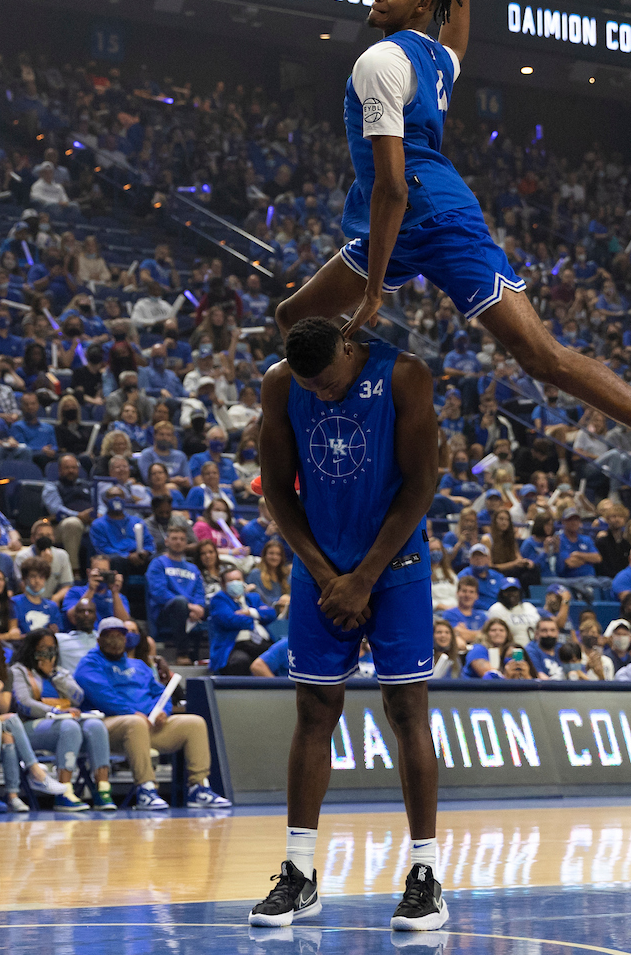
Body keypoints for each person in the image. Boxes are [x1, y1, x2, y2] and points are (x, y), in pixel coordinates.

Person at [271, 0, 631, 558]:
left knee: (540, 357)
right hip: (410, 219)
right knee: (294, 317)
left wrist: (375, 289)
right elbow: (460, 35)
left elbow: (391, 186)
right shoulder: (435, 58)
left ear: (420, 5)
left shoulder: (381, 62)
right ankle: (333, 445)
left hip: (428, 216)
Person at [250, 316, 447, 932]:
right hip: (323, 572)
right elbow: (278, 491)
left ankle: (425, 876)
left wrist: (364, 576)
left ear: (348, 348)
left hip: (397, 567)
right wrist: (328, 574)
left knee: (408, 715)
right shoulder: (283, 385)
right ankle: (299, 873)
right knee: (314, 716)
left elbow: (421, 484)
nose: (324, 394)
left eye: (331, 384)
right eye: (315, 389)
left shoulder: (405, 375)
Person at [74, 616, 230, 810]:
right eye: (109, 636)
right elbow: (105, 698)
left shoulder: (139, 666)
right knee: (134, 722)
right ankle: (146, 789)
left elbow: (159, 693)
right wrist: (135, 713)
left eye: (119, 636)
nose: (115, 641)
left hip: (147, 724)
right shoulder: (88, 665)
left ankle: (198, 788)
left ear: (126, 639)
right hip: (108, 727)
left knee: (194, 723)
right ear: (99, 640)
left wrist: (161, 712)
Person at [11, 628, 115, 810]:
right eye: (43, 648)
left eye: (52, 648)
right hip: (29, 727)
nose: (48, 653)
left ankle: (102, 789)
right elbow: (24, 703)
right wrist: (53, 711)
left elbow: (78, 697)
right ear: (32, 649)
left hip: (62, 722)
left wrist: (53, 676)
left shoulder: (60, 672)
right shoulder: (19, 671)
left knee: (95, 725)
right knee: (69, 726)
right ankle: (64, 792)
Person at [0, 628, 64, 812]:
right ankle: (36, 773)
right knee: (4, 721)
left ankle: (13, 796)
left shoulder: (6, 673)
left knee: (7, 735)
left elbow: (2, 707)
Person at [145, 524, 206, 665]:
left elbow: (199, 592)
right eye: (174, 538)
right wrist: (190, 607)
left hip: (190, 610)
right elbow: (159, 593)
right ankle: (182, 653)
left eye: (182, 539)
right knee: (179, 603)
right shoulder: (158, 563)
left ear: (186, 543)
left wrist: (199, 607)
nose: (178, 542)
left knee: (217, 604)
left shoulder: (193, 568)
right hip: (165, 611)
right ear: (167, 541)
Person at [208, 566, 277, 673]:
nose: (235, 583)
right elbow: (229, 620)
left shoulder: (254, 598)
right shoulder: (219, 599)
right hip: (235, 645)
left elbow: (271, 613)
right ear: (223, 584)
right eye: (231, 580)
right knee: (240, 661)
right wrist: (256, 617)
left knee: (280, 655)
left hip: (263, 643)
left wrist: (250, 612)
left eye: (238, 580)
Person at [41, 453, 94, 570]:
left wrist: (96, 514)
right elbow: (56, 510)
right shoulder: (51, 486)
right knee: (73, 523)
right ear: (60, 470)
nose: (71, 470)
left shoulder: (88, 485)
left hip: (89, 523)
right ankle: (73, 572)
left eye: (74, 468)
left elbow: (98, 504)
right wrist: (79, 516)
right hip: (60, 527)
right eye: (67, 467)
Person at [14, 518, 73, 606]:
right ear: (33, 538)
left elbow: (67, 585)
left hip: (52, 600)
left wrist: (55, 598)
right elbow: (23, 586)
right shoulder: (22, 557)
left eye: (48, 535)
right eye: (41, 535)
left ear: (53, 538)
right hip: (29, 600)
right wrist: (44, 563)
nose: (45, 538)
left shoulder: (62, 555)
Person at [63, 553, 131, 626]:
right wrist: (91, 590)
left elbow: (124, 623)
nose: (101, 576)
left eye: (105, 572)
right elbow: (73, 618)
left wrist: (115, 593)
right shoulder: (75, 592)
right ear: (88, 572)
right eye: (98, 572)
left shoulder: (119, 597)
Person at [10, 557, 64, 633]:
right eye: (33, 576)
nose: (37, 581)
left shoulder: (52, 607)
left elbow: (59, 633)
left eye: (41, 577)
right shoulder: (14, 603)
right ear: (25, 579)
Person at [487, 581, 540, 647]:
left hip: (535, 649)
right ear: (501, 594)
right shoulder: (496, 609)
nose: (511, 594)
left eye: (514, 591)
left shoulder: (528, 606)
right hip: (514, 651)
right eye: (507, 592)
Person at [56, 597, 99, 674]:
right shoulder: (59, 639)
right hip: (71, 684)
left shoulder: (103, 639)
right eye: (82, 611)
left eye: (90, 611)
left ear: (95, 616)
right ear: (74, 616)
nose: (86, 615)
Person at [246, 539, 292, 611]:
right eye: (271, 553)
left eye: (278, 554)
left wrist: (287, 598)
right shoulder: (255, 574)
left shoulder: (285, 574)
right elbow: (256, 599)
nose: (274, 557)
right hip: (265, 611)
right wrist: (280, 600)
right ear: (265, 555)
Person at [441, 576, 487, 644]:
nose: (467, 595)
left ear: (476, 596)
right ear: (457, 593)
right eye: (464, 591)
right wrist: (480, 634)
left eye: (471, 592)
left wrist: (464, 631)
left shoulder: (482, 615)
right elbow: (456, 636)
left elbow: (489, 636)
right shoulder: (449, 614)